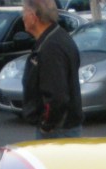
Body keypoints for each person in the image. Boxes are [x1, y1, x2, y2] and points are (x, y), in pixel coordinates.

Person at [21, 0, 83, 139]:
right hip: (63, 127)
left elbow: (57, 96)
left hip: (58, 131)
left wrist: (46, 124)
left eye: (24, 12)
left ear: (33, 16)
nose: (22, 17)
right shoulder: (56, 37)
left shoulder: (51, 47)